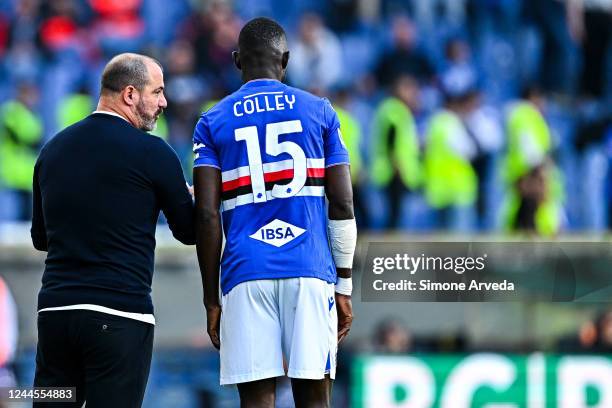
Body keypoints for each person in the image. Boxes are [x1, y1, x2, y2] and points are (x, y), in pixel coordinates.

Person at [192, 17, 356, 408]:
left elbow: (207, 215)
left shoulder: (211, 121)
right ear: (285, 59)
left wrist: (211, 299)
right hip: (310, 268)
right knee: (314, 400)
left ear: (236, 61)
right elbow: (343, 203)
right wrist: (344, 285)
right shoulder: (321, 112)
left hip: (245, 272)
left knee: (256, 403)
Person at [31, 53, 196, 408]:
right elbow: (189, 230)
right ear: (130, 94)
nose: (165, 102)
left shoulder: (52, 151)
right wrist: (191, 197)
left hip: (55, 316)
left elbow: (40, 239)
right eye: (158, 91)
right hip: (119, 315)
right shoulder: (154, 153)